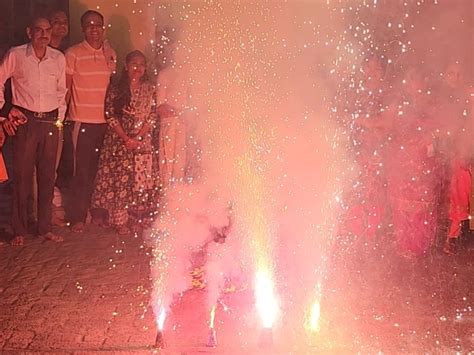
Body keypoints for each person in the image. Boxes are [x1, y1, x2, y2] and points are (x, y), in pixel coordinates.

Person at [0, 15, 67, 245]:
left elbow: (62, 92)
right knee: (22, 177)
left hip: (50, 122)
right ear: (29, 32)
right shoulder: (16, 55)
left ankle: (44, 227)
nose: (44, 34)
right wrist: (4, 112)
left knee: (48, 177)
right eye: (38, 30)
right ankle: (19, 229)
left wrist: (60, 119)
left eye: (47, 30)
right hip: (26, 123)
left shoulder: (58, 58)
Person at [91, 50, 159, 234]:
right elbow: (110, 114)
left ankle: (137, 218)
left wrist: (138, 138)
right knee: (119, 180)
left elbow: (152, 115)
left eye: (141, 65)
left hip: (141, 141)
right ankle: (119, 221)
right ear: (126, 67)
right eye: (134, 64)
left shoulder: (149, 89)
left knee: (139, 180)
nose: (138, 68)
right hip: (118, 141)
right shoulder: (116, 88)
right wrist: (126, 138)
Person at [64, 10, 116, 233]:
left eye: (98, 25)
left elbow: (112, 88)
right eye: (89, 25)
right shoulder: (72, 53)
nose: (94, 29)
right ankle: (77, 215)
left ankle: (98, 214)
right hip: (81, 121)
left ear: (103, 28)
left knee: (101, 171)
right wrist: (61, 117)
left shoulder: (111, 53)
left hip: (104, 123)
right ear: (82, 28)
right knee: (81, 171)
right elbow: (66, 88)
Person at [385, 66, 441, 257]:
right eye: (408, 80)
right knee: (402, 203)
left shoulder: (434, 104)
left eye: (415, 79)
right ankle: (404, 245)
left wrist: (432, 136)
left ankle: (420, 245)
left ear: (424, 81)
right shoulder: (400, 105)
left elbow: (447, 125)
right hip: (402, 159)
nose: (411, 84)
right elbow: (387, 125)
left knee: (421, 204)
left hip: (423, 161)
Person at [437, 62, 473, 254]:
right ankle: (447, 236)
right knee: (447, 195)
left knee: (461, 194)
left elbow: (467, 127)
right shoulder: (439, 96)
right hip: (443, 153)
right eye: (451, 73)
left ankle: (454, 237)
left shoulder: (467, 97)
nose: (454, 78)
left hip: (461, 153)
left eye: (458, 74)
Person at [155, 39, 191, 189]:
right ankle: (166, 196)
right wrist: (177, 113)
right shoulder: (164, 74)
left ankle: (179, 196)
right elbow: (160, 107)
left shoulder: (189, 74)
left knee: (181, 161)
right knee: (167, 160)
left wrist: (187, 116)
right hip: (170, 123)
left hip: (185, 123)